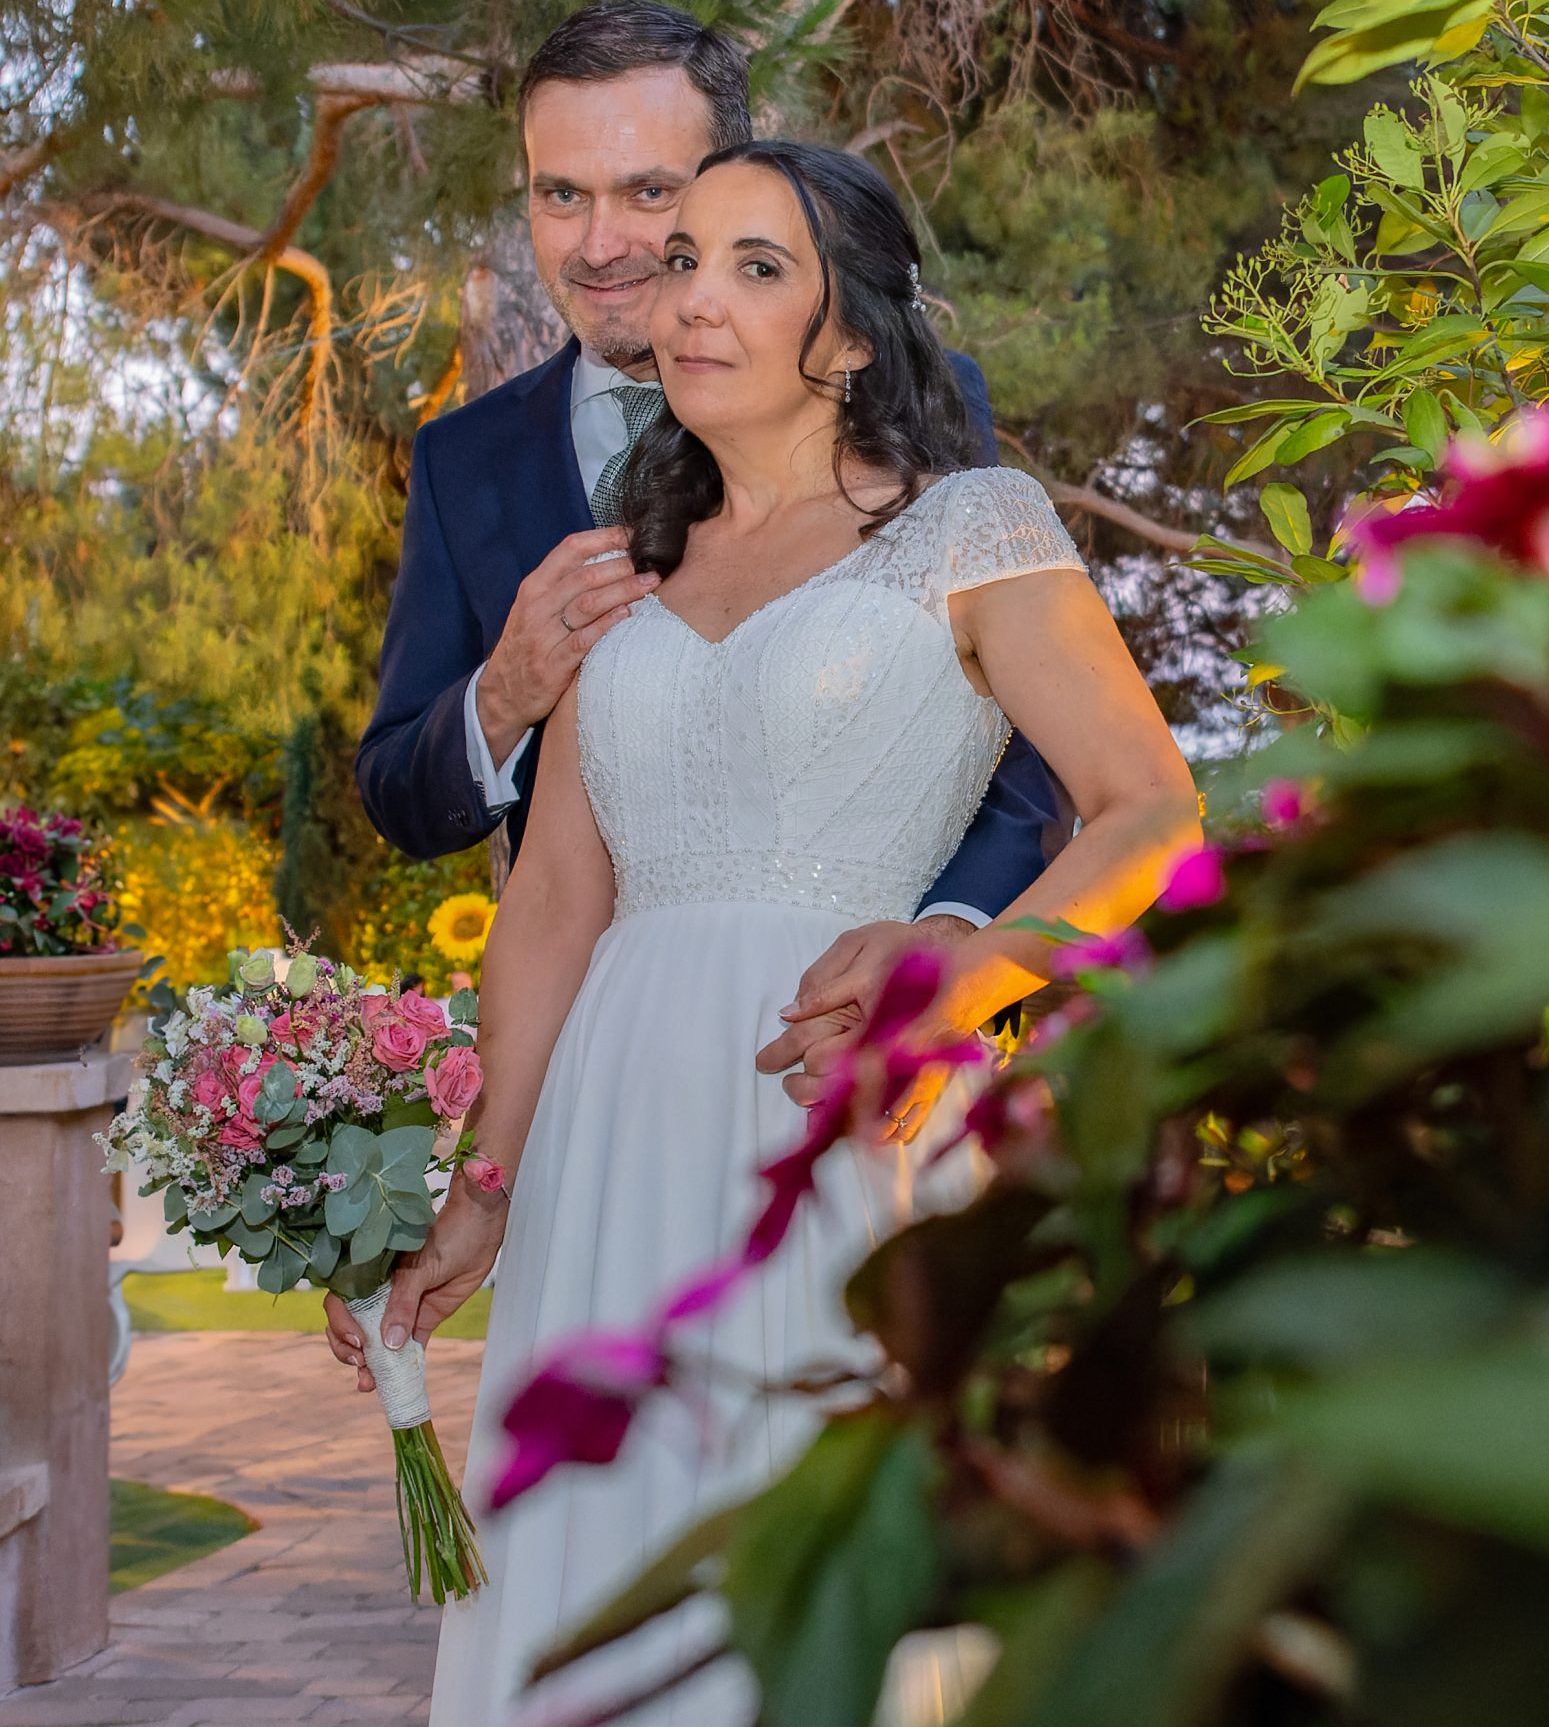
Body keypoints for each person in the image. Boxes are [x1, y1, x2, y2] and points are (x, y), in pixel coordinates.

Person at [352, 139, 1199, 1724]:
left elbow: (1149, 805)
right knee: (604, 1576)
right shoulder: (622, 570)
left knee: (825, 1573)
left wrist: (972, 967)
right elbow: (550, 908)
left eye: (757, 266)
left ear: (855, 329)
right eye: (683, 264)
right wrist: (486, 1183)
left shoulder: (970, 526)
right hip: (612, 1125)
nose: (694, 302)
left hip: (843, 1113)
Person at [349, 0, 1064, 1039]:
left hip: (857, 1048)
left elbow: (1027, 733)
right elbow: (399, 797)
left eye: (648, 191)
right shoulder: (466, 461)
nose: (600, 243)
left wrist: (951, 939)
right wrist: (502, 694)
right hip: (585, 1050)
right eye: (560, 194)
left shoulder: (918, 391)